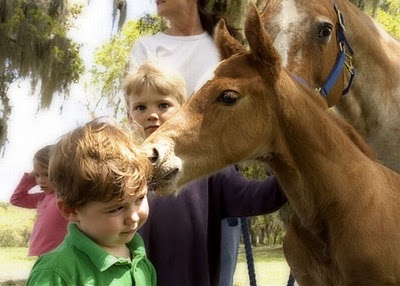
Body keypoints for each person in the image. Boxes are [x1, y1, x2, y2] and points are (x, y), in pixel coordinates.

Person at [123, 61, 287, 286]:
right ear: (129, 115)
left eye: (163, 105)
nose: (152, 115)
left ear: (183, 109)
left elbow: (256, 197)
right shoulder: (120, 170)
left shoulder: (207, 167)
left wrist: (295, 167)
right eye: (141, 107)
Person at [130, 1, 245, 284]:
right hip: (158, 168)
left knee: (216, 271)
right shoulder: (146, 46)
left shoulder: (225, 43)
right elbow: (138, 102)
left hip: (216, 173)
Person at [26, 118, 157, 286]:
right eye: (116, 209)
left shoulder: (141, 261)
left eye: (139, 199)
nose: (133, 217)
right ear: (70, 210)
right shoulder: (57, 272)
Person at [10, 145, 68, 257]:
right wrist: (30, 177)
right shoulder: (42, 198)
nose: (40, 181)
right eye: (37, 175)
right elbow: (16, 199)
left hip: (60, 254)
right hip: (42, 254)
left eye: (46, 174)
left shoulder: (66, 196)